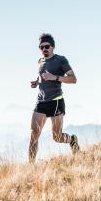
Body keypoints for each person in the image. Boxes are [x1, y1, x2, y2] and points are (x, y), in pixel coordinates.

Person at [29, 33, 79, 162]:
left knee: (57, 137)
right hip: (41, 101)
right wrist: (37, 82)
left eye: (47, 46)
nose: (44, 49)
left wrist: (55, 77)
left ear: (53, 47)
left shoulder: (60, 60)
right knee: (34, 134)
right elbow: (41, 76)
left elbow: (73, 79)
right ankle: (30, 166)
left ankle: (72, 140)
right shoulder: (40, 61)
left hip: (56, 101)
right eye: (41, 47)